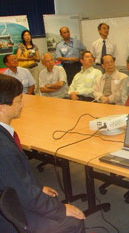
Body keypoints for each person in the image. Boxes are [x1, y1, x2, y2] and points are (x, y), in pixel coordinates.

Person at [0, 74, 85, 233]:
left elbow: (14, 178)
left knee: (49, 196)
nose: (22, 105)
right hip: (10, 215)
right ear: (3, 106)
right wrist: (60, 210)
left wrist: (37, 188)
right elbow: (23, 193)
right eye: (19, 100)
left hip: (11, 197)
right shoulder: (4, 148)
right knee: (74, 221)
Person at [16, 30, 40, 94]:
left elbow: (38, 59)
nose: (27, 37)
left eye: (28, 35)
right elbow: (18, 57)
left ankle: (37, 99)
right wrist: (27, 58)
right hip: (25, 69)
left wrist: (33, 57)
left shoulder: (35, 46)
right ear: (23, 37)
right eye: (25, 35)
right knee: (26, 85)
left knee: (36, 85)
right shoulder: (21, 46)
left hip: (34, 68)